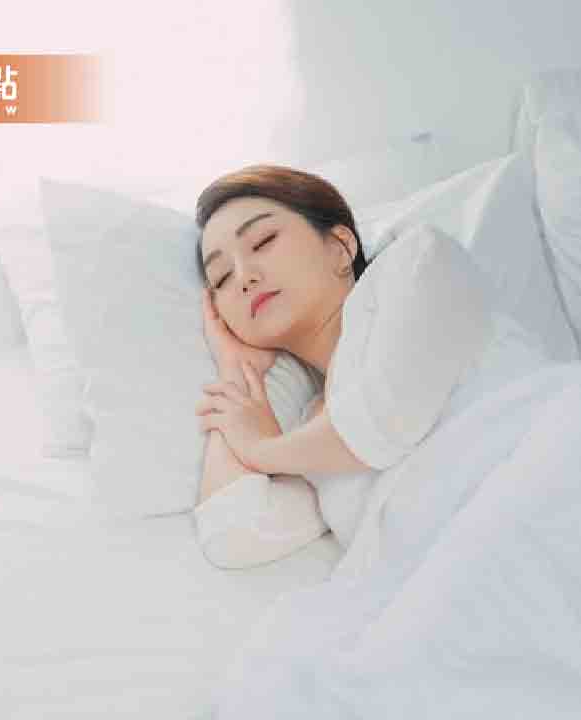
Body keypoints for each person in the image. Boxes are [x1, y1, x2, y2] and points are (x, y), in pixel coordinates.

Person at [190, 164, 552, 570]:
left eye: (263, 241)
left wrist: (260, 449)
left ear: (340, 246)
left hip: (556, 481)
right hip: (479, 571)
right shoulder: (313, 424)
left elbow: (386, 420)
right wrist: (237, 372)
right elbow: (235, 536)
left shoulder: (418, 262)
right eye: (221, 277)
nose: (243, 277)